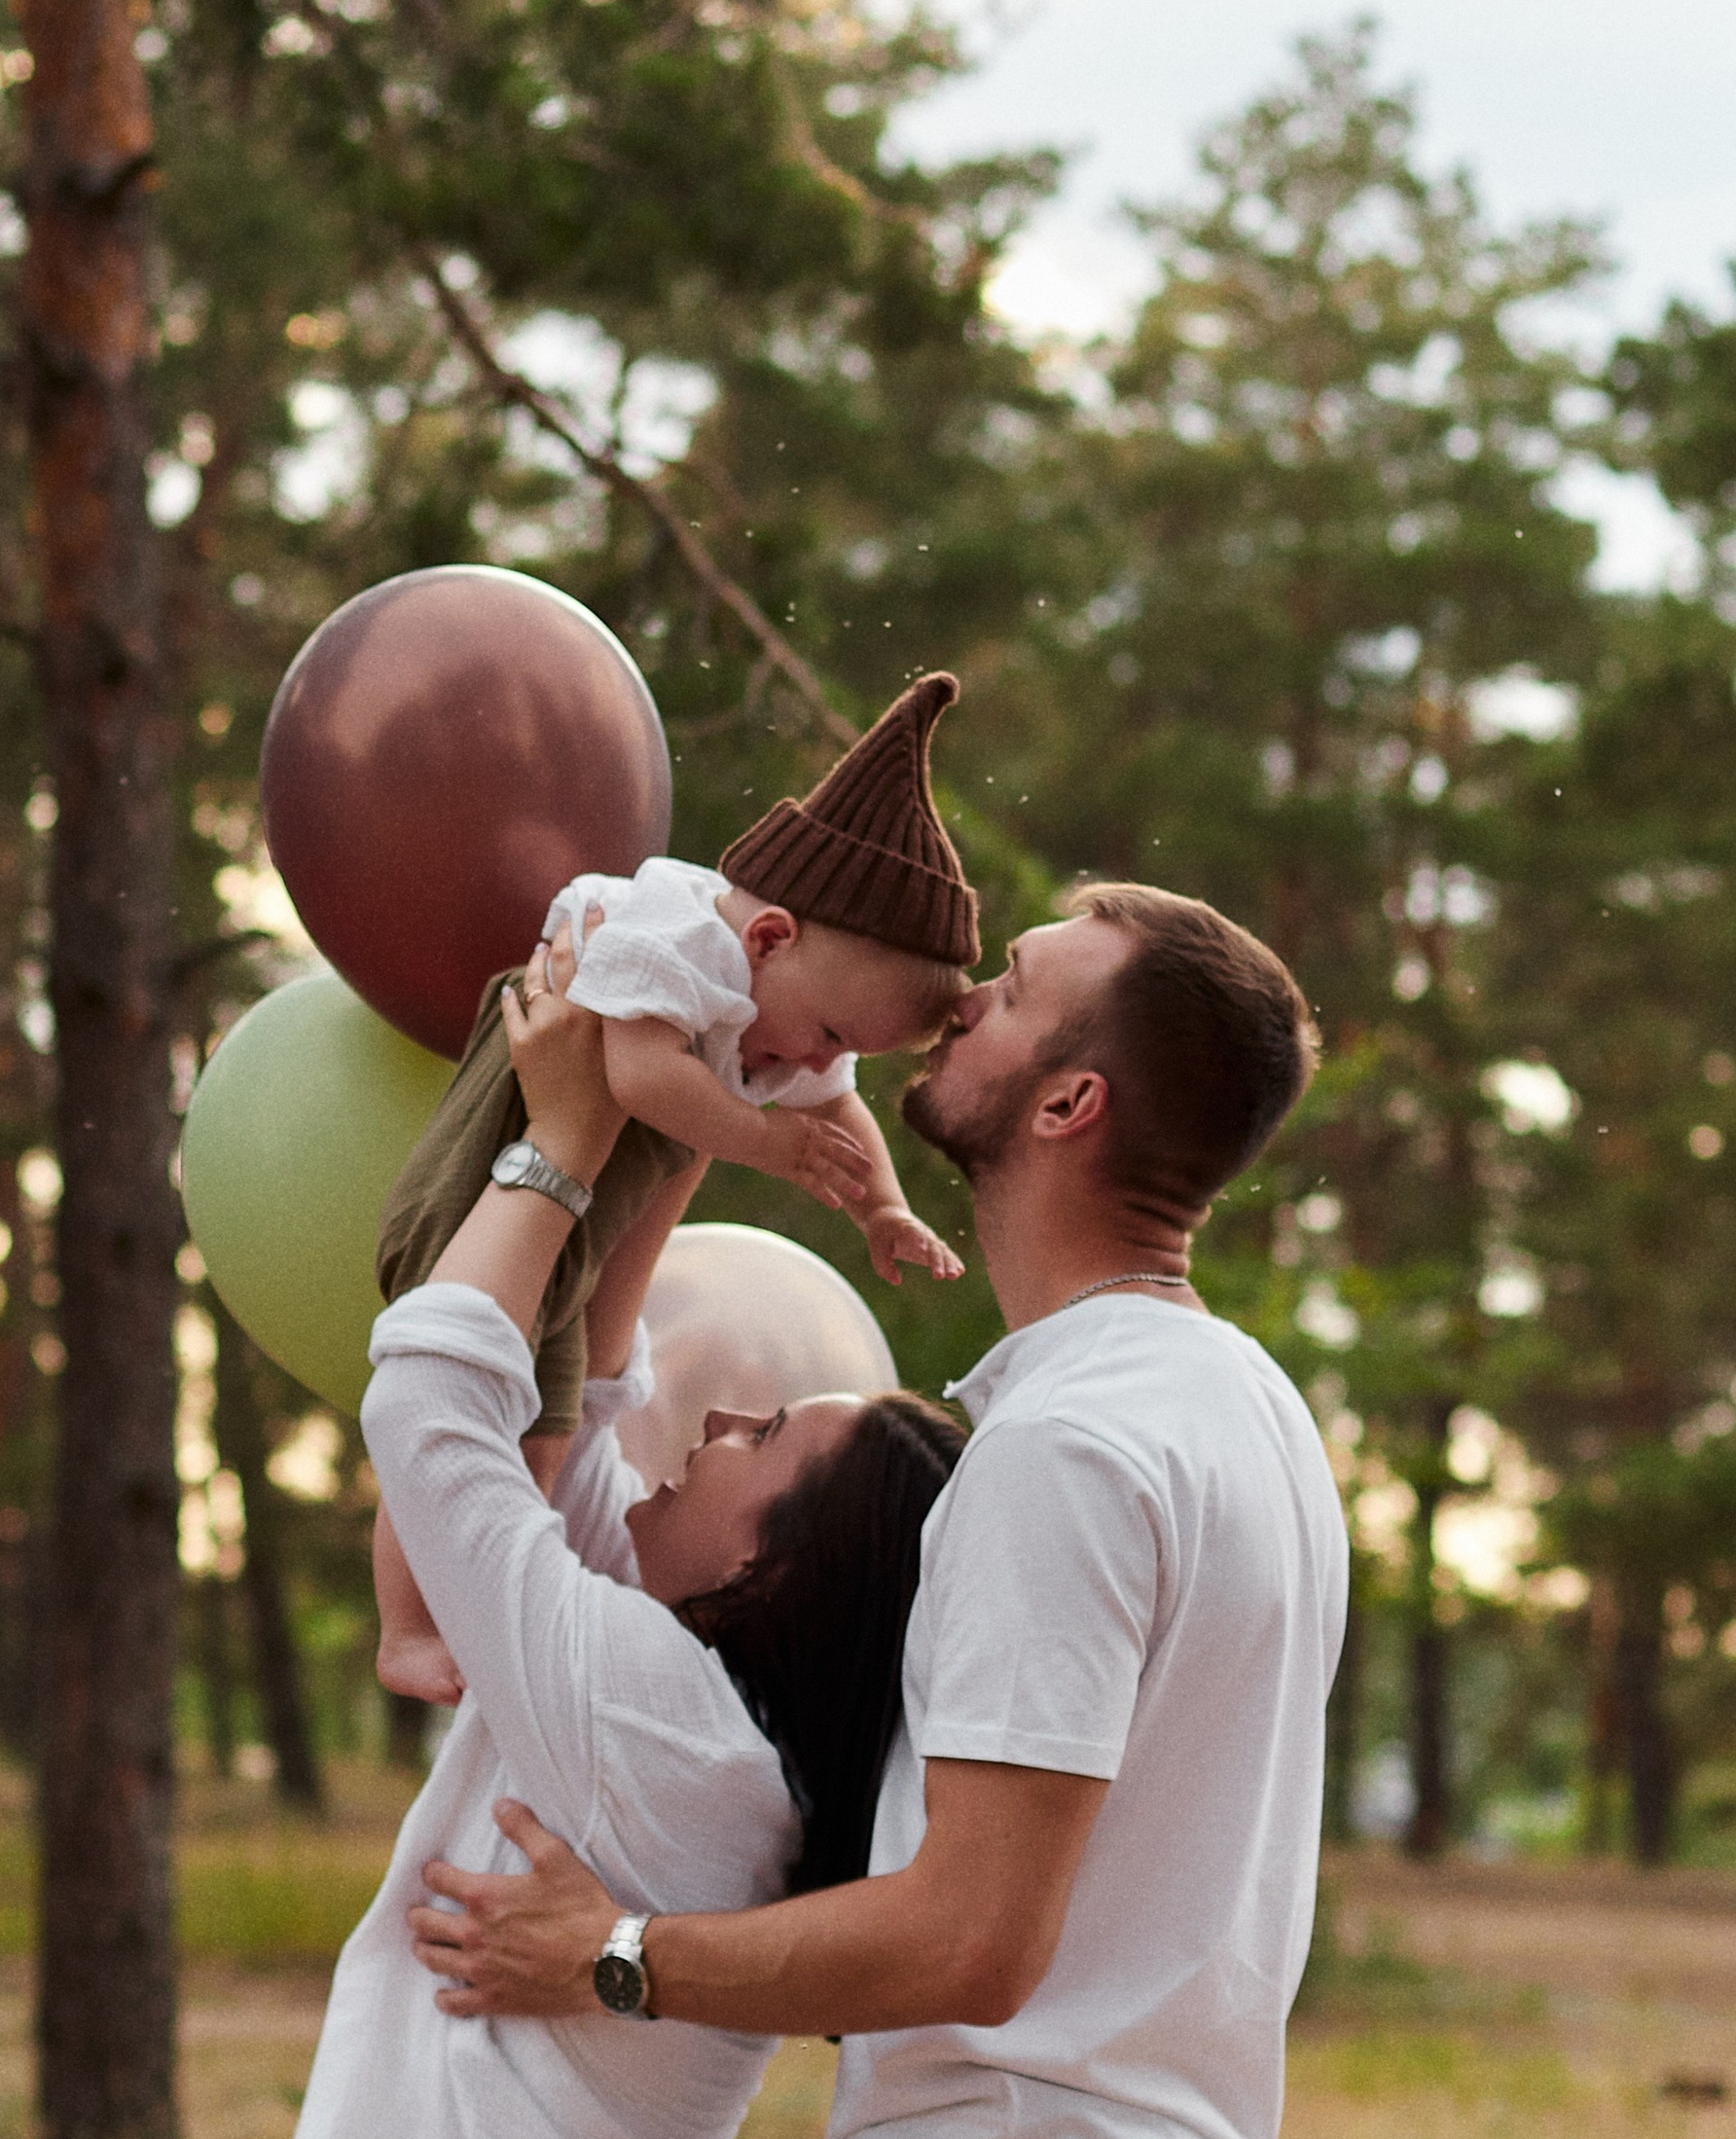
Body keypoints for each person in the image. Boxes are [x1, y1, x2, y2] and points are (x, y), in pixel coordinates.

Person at [405, 883, 1352, 2139]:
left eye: (1011, 992)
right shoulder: (1250, 1408)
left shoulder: (1066, 1447)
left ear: (1069, 1104)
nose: (961, 1002)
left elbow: (971, 1939)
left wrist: (615, 1954)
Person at [297, 949, 964, 2139]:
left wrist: (560, 1143)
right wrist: (681, 1122)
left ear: (771, 1571)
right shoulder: (716, 1733)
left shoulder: (656, 1726)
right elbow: (590, 1405)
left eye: (762, 1435)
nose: (717, 1419)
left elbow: (430, 1403)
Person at [368, 671, 978, 1700]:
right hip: (491, 1188)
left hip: (575, 1222)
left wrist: (883, 1206)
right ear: (767, 938)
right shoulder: (676, 936)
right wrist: (763, 1141)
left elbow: (839, 1105)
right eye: (829, 1033)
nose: (817, 1062)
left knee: (548, 1428)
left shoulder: (788, 1002)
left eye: (846, 1049)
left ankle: (490, 1602)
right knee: (460, 1392)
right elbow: (639, 1076)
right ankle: (406, 1625)